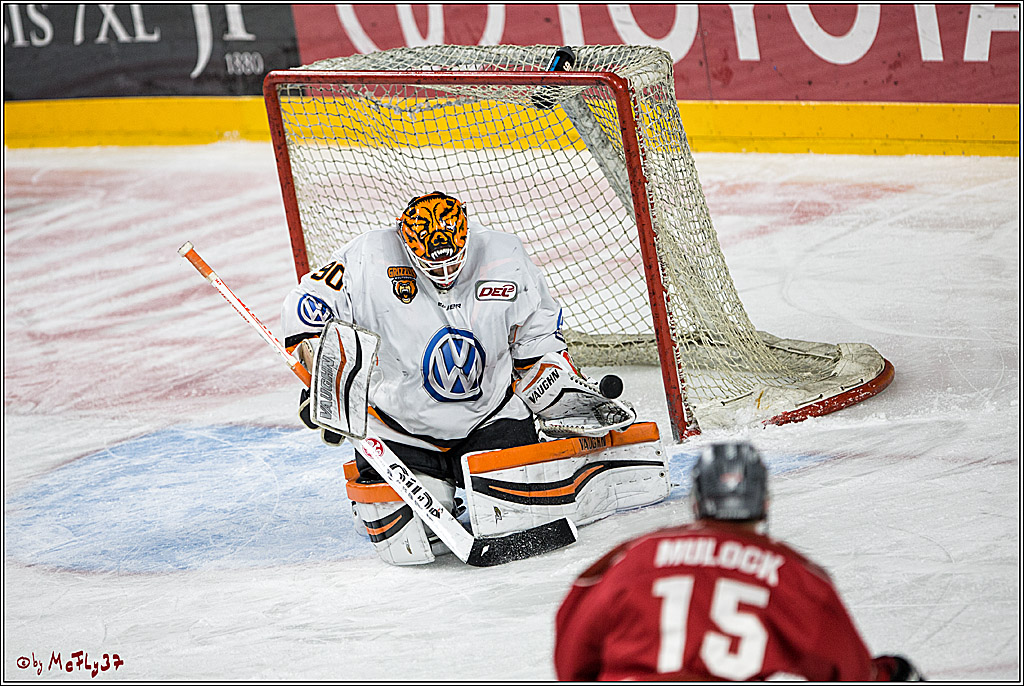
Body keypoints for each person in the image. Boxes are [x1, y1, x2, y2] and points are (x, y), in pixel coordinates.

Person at [281, 192, 637, 565]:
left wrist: (561, 389)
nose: (443, 272)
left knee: (515, 521)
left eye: (452, 259)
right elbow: (306, 307)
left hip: (491, 417)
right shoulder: (369, 254)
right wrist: (324, 380)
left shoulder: (505, 255)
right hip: (399, 426)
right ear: (405, 240)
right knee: (408, 542)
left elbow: (536, 343)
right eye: (429, 263)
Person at [554, 442, 924, 681]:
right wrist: (893, 671)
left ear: (696, 501)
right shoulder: (791, 573)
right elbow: (849, 671)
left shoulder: (634, 557)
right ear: (764, 502)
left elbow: (572, 655)